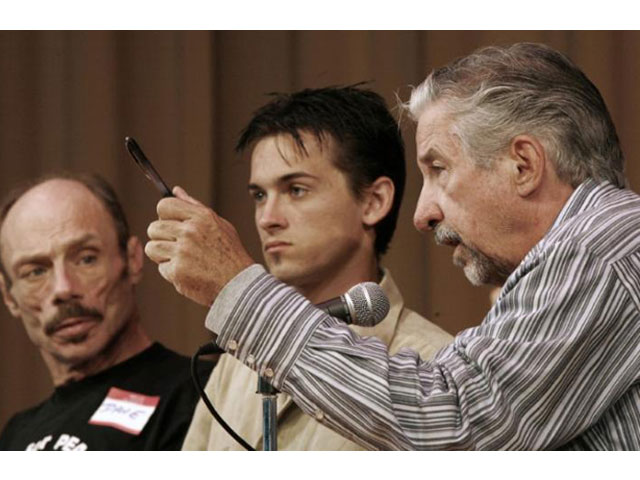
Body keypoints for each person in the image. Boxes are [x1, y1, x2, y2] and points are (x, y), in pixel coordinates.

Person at [145, 42, 640, 450]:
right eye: (258, 195)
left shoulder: (598, 244)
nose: (423, 214)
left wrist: (240, 291)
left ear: (523, 165)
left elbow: (454, 422)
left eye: (439, 169)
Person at [181, 86, 452, 450]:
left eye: (296, 190)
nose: (267, 218)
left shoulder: (434, 365)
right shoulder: (238, 359)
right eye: (259, 195)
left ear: (373, 201)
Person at [0, 173, 211, 450]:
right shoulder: (15, 435)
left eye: (86, 259)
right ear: (9, 296)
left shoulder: (203, 394)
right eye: (36, 271)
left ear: (133, 259)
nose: (64, 288)